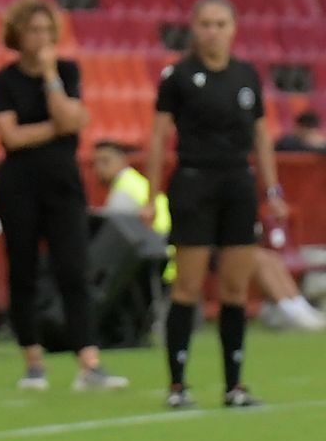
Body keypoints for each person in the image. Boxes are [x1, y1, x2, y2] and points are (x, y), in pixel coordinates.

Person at [145, 0, 286, 409]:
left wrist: (272, 190)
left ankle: (234, 386)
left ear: (234, 29)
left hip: (237, 183)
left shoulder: (246, 75)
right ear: (194, 28)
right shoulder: (178, 76)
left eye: (221, 24)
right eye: (206, 24)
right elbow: (159, 136)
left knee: (235, 287)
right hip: (194, 183)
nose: (213, 32)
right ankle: (177, 386)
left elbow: (260, 136)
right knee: (188, 285)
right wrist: (151, 195)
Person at [0, 0, 127, 392]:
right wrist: (60, 127)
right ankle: (33, 362)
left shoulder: (66, 71)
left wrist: (50, 78)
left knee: (74, 270)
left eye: (47, 30)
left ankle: (89, 362)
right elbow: (11, 137)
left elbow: (68, 117)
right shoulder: (3, 80)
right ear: (18, 34)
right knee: (24, 271)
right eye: (33, 30)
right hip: (20, 186)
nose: (41, 38)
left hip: (63, 183)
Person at [95, 141, 325, 332]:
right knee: (256, 258)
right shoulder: (133, 184)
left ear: (122, 161)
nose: (98, 168)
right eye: (96, 162)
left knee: (265, 258)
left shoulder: (124, 189)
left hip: (176, 244)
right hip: (176, 246)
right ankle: (292, 309)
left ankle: (295, 306)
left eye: (105, 161)